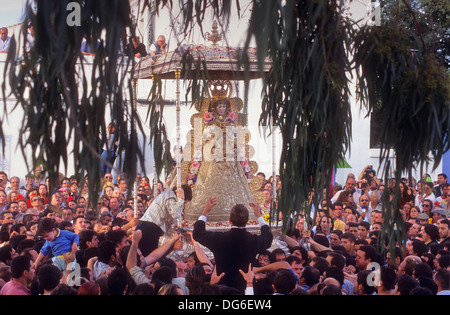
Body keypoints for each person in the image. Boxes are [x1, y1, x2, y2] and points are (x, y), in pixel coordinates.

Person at [193, 195, 273, 293]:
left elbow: (197, 233)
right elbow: (268, 238)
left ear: (230, 220)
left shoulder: (219, 239)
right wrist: (259, 216)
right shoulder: (253, 241)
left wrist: (205, 212)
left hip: (222, 288)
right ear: (247, 221)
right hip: (246, 287)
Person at [136, 185, 192, 256]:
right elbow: (175, 213)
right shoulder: (170, 195)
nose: (183, 205)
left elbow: (168, 214)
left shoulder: (170, 197)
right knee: (146, 258)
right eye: (184, 202)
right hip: (149, 228)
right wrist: (181, 198)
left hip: (151, 228)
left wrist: (174, 224)